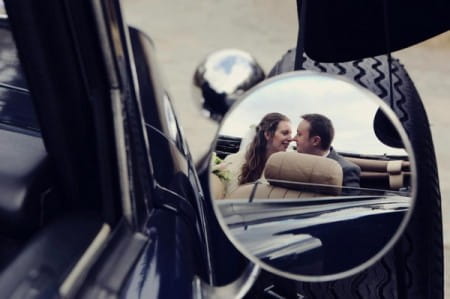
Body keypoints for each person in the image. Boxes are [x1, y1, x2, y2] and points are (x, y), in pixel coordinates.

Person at [215, 112, 292, 197]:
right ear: (268, 134)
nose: (291, 139)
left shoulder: (285, 168)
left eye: (290, 134)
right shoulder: (234, 161)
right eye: (285, 133)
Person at [293, 113, 361, 188]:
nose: (294, 138)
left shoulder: (345, 171)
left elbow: (348, 199)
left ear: (315, 141)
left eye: (299, 134)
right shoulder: (295, 164)